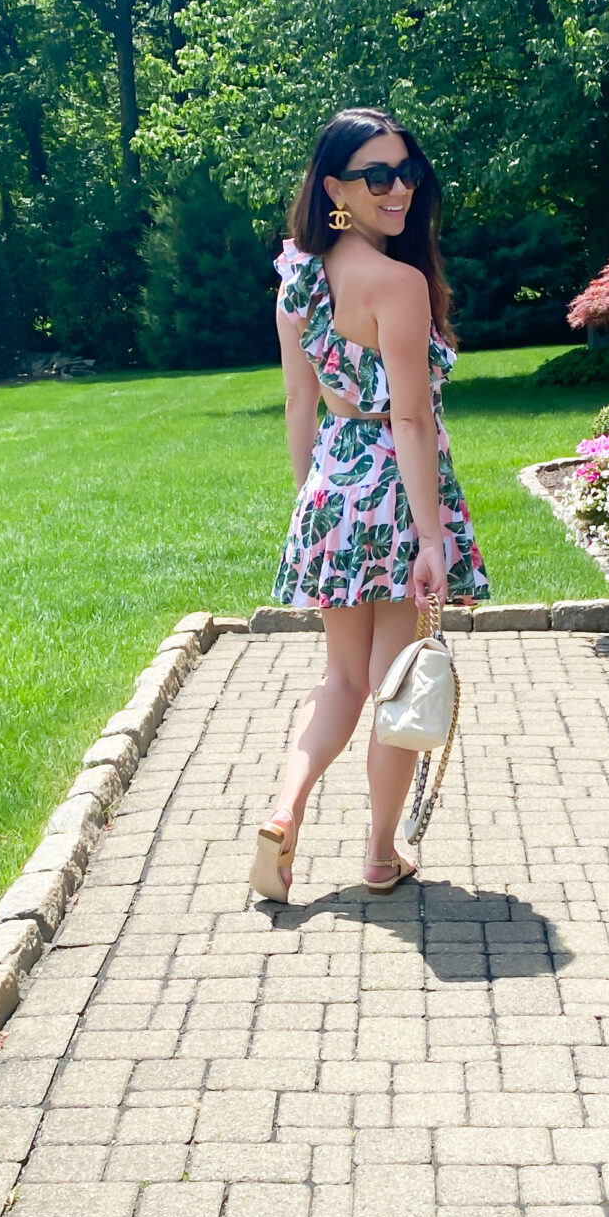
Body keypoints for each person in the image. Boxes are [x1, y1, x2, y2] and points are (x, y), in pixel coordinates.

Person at [250, 108, 489, 903]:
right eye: (377, 176)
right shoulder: (398, 283)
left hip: (331, 486)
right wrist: (431, 538)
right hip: (394, 486)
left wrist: (311, 508)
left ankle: (285, 810)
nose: (400, 189)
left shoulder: (299, 283)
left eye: (408, 172)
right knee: (392, 681)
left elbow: (298, 407)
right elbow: (413, 419)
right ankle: (381, 856)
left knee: (342, 677)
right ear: (335, 190)